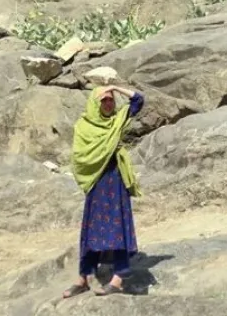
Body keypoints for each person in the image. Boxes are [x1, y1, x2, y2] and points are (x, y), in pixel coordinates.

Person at [63, 85, 144, 298]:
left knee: (118, 229)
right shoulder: (83, 126)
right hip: (96, 181)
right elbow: (79, 157)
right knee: (91, 230)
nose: (108, 104)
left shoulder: (117, 120)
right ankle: (83, 278)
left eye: (110, 100)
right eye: (103, 100)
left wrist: (115, 87)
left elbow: (138, 100)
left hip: (115, 179)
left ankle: (118, 279)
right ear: (94, 103)